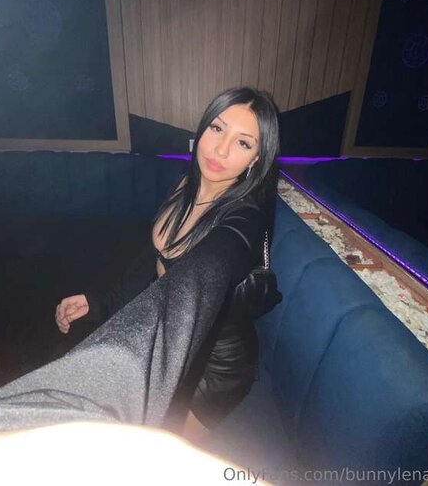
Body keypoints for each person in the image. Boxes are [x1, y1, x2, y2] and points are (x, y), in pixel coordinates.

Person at [53, 86, 281, 443]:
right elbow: (151, 263)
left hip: (214, 368)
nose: (220, 149)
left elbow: (206, 275)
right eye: (217, 129)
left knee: (145, 450)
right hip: (169, 343)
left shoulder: (243, 221)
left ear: (256, 159)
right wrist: (102, 303)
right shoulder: (186, 185)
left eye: (243, 143)